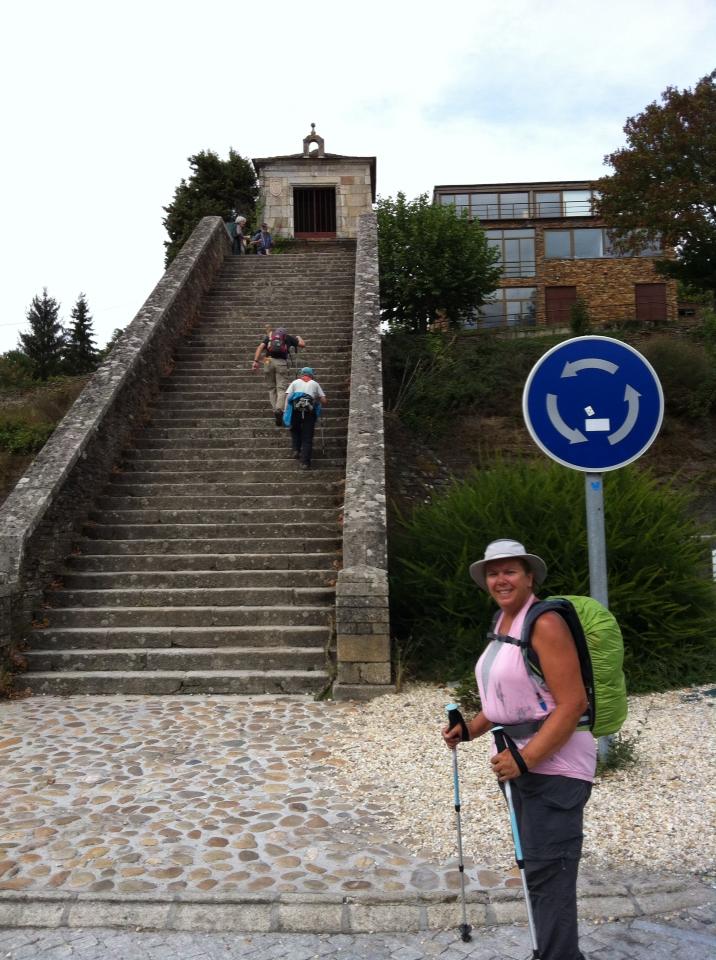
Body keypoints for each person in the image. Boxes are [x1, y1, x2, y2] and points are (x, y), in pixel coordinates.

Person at [442, 539, 595, 960]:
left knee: (550, 873)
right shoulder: (504, 622)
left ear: (530, 576)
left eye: (510, 571)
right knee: (538, 869)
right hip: (521, 764)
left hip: (556, 766)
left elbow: (573, 703)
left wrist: (526, 758)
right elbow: (507, 700)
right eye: (493, 573)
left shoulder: (544, 624)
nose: (500, 579)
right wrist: (469, 729)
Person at [252, 327, 306, 425]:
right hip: (281, 362)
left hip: (267, 361)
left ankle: (275, 410)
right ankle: (279, 409)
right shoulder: (287, 337)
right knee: (281, 388)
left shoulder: (270, 336)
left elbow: (260, 347)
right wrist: (299, 337)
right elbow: (302, 344)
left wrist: (255, 361)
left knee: (271, 388)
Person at [283, 367, 327, 469]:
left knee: (295, 430)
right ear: (311, 375)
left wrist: (286, 411)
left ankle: (296, 449)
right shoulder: (315, 384)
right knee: (307, 438)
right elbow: (324, 400)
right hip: (309, 413)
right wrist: (317, 400)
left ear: (301, 374)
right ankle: (305, 462)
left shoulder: (295, 382)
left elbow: (288, 398)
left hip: (296, 411)